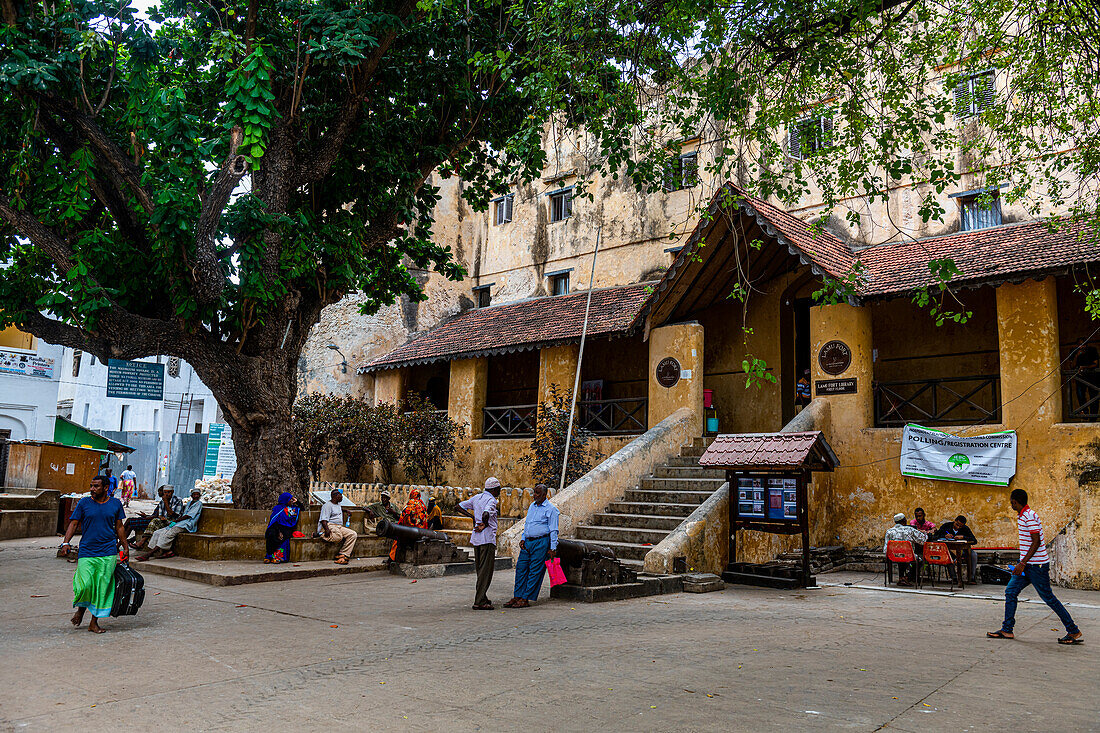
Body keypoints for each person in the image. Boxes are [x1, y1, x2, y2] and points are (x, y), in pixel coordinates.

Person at [988, 489, 1082, 644]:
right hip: (1027, 565)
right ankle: (1007, 629)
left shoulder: (1029, 516)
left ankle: (1073, 630)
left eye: (1011, 502)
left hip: (1036, 566)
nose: (1011, 504)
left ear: (1014, 502)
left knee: (1049, 598)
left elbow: (1036, 541)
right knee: (1011, 592)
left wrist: (1022, 562)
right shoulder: (1024, 515)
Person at [61, 475, 128, 634]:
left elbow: (119, 527)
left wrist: (125, 546)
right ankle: (81, 609)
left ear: (106, 488)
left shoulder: (115, 503)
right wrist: (65, 542)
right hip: (87, 550)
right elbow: (74, 523)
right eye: (91, 486)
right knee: (85, 585)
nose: (92, 489)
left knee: (102, 587)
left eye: (96, 486)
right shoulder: (84, 503)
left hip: (108, 551)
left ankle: (93, 622)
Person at [506, 483, 559, 609]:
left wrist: (553, 548)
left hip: (541, 542)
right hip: (528, 542)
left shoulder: (551, 509)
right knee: (521, 568)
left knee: (535, 571)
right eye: (534, 492)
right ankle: (517, 595)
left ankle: (526, 597)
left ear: (545, 495)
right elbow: (527, 523)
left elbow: (554, 530)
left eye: (537, 493)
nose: (534, 495)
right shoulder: (532, 506)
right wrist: (523, 538)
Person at [457, 478, 500, 610]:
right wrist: (484, 522)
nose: (499, 491)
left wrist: (472, 517)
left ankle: (482, 596)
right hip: (487, 539)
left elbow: (458, 506)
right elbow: (487, 512)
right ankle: (480, 600)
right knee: (485, 571)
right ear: (494, 489)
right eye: (498, 488)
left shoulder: (477, 498)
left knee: (480, 570)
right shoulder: (491, 500)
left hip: (476, 539)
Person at [138, 488, 203, 560]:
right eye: (194, 494)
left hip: (187, 524)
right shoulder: (188, 503)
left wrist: (176, 520)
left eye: (197, 494)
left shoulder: (199, 504)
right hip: (178, 522)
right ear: (191, 495)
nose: (196, 496)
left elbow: (188, 516)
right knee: (158, 532)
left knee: (168, 533)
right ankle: (164, 552)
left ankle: (149, 554)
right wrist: (174, 521)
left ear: (199, 495)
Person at [883, 513, 927, 586]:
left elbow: (885, 549)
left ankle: (902, 577)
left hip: (893, 556)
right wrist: (925, 533)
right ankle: (908, 577)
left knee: (900, 556)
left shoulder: (889, 531)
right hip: (908, 556)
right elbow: (923, 540)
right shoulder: (910, 530)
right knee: (920, 560)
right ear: (904, 521)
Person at [931, 514, 979, 582]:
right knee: (948, 556)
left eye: (960, 526)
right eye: (957, 524)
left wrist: (963, 537)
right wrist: (945, 536)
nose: (958, 527)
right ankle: (954, 578)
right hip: (948, 550)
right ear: (955, 521)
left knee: (973, 555)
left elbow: (974, 540)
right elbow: (935, 536)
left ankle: (971, 577)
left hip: (962, 550)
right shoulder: (946, 526)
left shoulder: (965, 529)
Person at [317, 489, 357, 564]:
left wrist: (345, 510)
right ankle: (320, 534)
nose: (342, 497)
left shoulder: (338, 504)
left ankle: (343, 554)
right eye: (340, 495)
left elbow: (337, 510)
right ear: (335, 496)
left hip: (338, 526)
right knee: (339, 536)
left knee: (353, 534)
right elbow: (323, 520)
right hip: (330, 525)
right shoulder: (327, 506)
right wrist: (326, 530)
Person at [389, 489, 429, 561]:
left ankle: (392, 558)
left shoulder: (411, 503)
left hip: (411, 530)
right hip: (422, 531)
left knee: (397, 539)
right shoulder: (423, 505)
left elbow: (404, 515)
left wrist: (400, 525)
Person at [264, 492, 302, 563]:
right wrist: (278, 532)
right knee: (271, 534)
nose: (291, 501)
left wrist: (297, 501)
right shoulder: (277, 509)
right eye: (289, 499)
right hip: (277, 527)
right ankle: (269, 556)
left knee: (283, 536)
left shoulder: (292, 509)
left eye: (291, 499)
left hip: (287, 528)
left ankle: (276, 557)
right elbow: (273, 521)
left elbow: (302, 508)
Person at [1073, 337, 1099, 419]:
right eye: (1079, 344)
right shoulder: (1074, 351)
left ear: (1086, 345)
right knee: (1080, 395)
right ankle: (1085, 414)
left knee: (1094, 396)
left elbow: (1096, 364)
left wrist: (1084, 367)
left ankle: (1093, 417)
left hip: (1092, 377)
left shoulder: (1092, 350)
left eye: (1083, 344)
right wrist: (1077, 355)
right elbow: (1072, 365)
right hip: (1080, 378)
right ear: (1077, 345)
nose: (1081, 346)